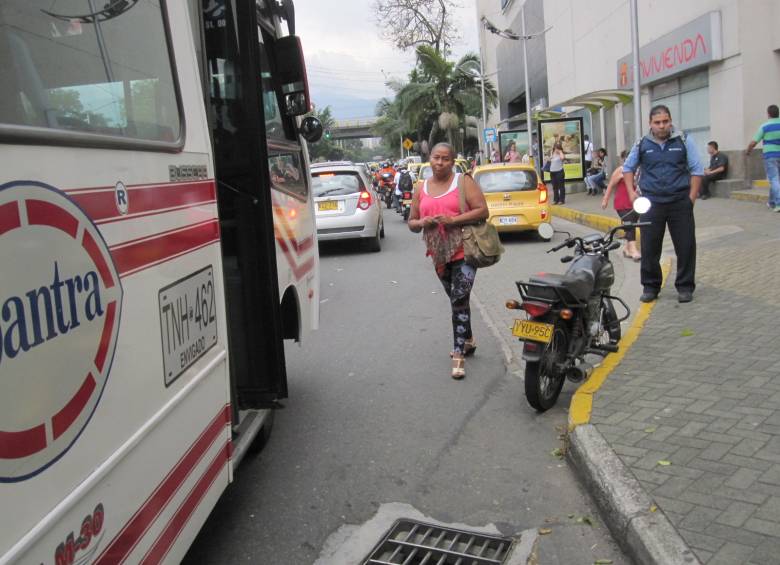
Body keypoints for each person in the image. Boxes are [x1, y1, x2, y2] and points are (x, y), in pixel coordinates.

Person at [408, 142, 489, 380]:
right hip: (438, 253)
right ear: (429, 159)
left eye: (445, 159)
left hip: (464, 249)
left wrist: (453, 220)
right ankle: (469, 339)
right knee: (456, 300)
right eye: (436, 158)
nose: (440, 162)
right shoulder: (420, 187)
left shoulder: (463, 182)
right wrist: (423, 223)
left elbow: (483, 211)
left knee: (459, 297)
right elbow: (412, 222)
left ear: (452, 162)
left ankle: (458, 354)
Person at [623, 104, 703, 304]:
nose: (662, 126)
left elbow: (697, 169)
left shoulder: (684, 140)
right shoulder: (642, 143)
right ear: (650, 124)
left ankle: (685, 287)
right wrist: (632, 192)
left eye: (665, 121)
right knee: (650, 247)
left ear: (670, 121)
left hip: (679, 202)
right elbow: (628, 168)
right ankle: (650, 287)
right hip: (652, 203)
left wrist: (691, 199)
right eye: (657, 122)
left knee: (685, 246)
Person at [602, 150, 640, 261]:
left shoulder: (639, 170)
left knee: (632, 224)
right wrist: (605, 200)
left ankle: (627, 249)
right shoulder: (621, 170)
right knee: (629, 224)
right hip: (622, 203)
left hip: (636, 203)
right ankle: (633, 249)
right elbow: (610, 185)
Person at [745, 104, 780, 211]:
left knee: (774, 179)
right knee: (775, 180)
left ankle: (778, 203)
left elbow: (753, 142)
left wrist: (748, 151)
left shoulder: (764, 126)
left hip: (770, 156)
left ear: (768, 114)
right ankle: (771, 202)